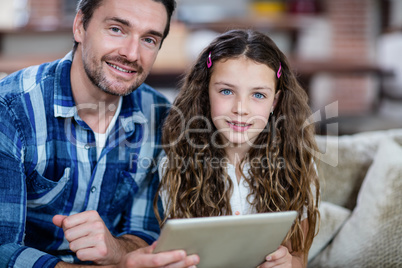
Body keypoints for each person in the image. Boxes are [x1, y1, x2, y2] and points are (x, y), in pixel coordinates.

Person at [0, 0, 199, 267]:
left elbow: (145, 231)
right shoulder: (11, 108)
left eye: (149, 39)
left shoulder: (160, 115)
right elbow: (3, 249)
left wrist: (117, 250)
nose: (131, 54)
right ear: (80, 26)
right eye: (117, 29)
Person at [156, 29, 320, 268]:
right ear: (205, 93)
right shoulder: (174, 165)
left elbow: (299, 258)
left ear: (274, 101)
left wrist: (288, 263)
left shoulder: (298, 165)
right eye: (226, 91)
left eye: (258, 95)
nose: (241, 108)